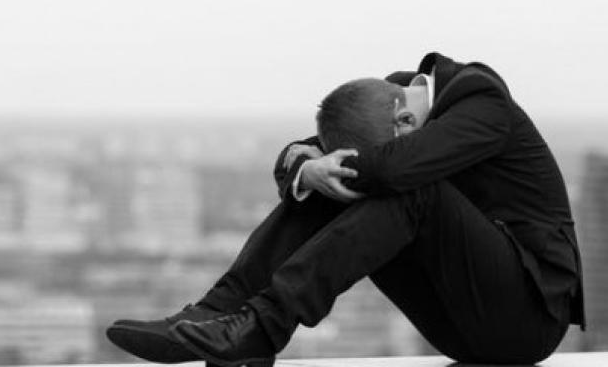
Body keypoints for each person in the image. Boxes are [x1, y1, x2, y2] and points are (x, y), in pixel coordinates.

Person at [106, 53, 585, 366]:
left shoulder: (483, 103)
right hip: (456, 324)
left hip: (527, 320)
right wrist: (307, 170)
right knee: (333, 181)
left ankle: (263, 326)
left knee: (407, 187)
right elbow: (301, 154)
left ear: (404, 121)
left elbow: (396, 168)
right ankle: (217, 312)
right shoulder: (387, 100)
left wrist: (324, 165)